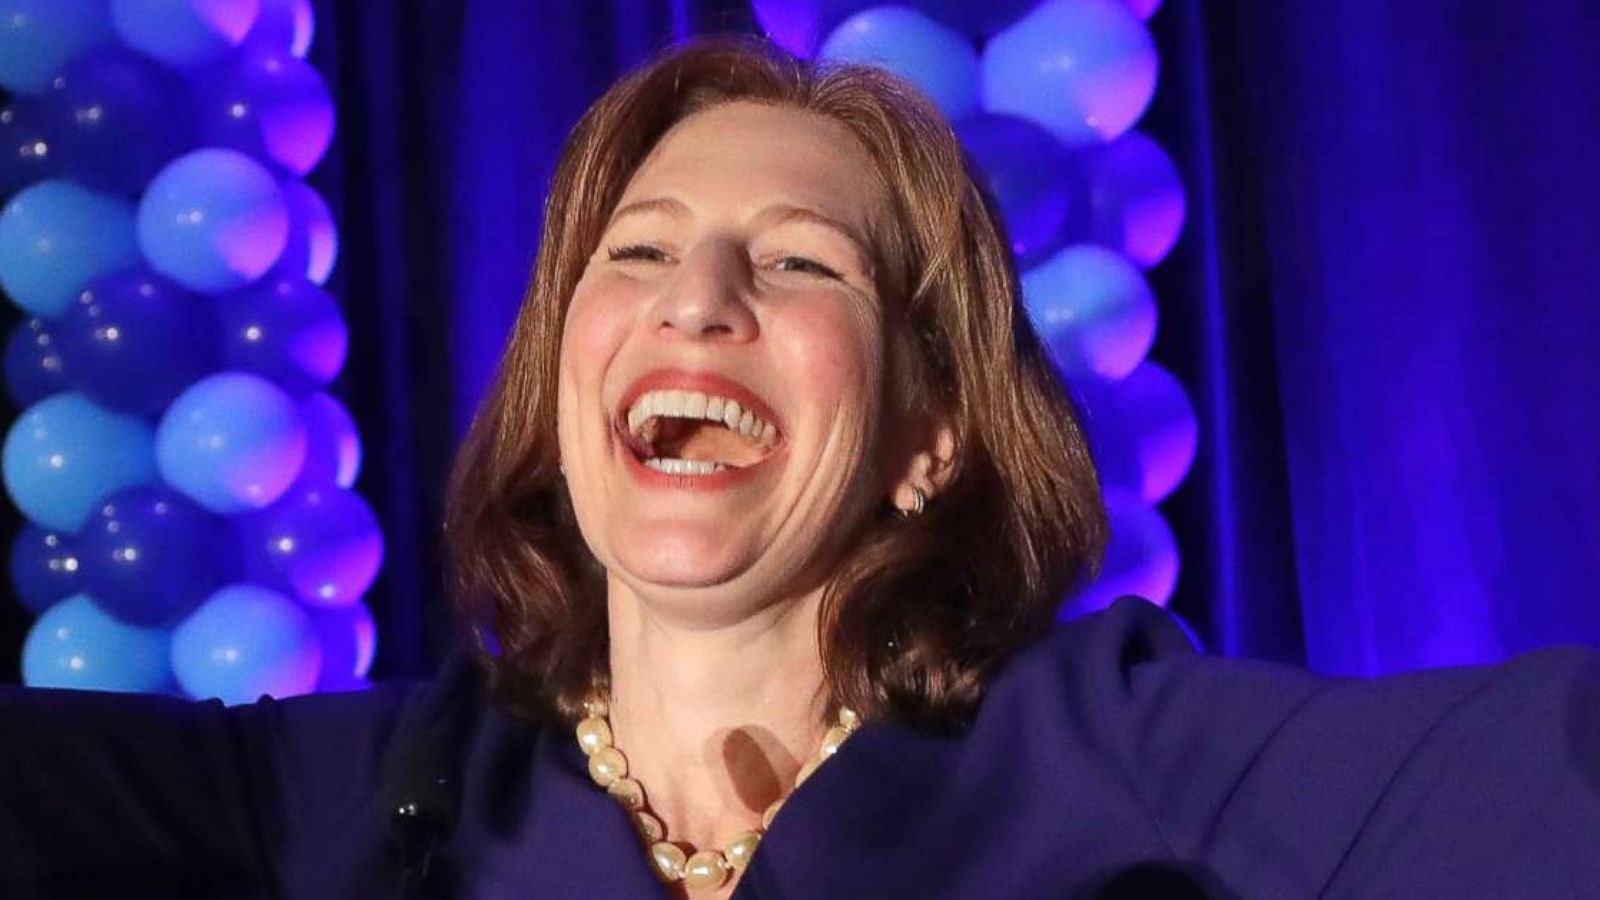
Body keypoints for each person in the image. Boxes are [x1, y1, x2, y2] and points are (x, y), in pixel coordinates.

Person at [3, 35, 1599, 900]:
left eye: (800, 265)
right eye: (635, 254)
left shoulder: (1114, 750)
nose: (697, 300)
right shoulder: (376, 801)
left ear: (929, 435)